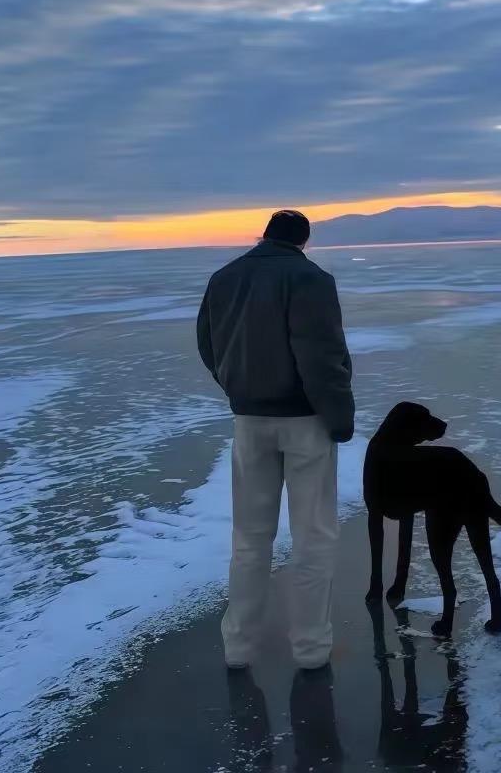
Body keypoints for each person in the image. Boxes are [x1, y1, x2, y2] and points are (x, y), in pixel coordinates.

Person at [197, 208, 355, 671]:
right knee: (313, 536)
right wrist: (338, 417)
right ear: (303, 241)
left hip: (249, 421)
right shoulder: (310, 280)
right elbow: (322, 356)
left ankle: (239, 648)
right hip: (305, 421)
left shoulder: (224, 278)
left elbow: (209, 344)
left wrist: (237, 387)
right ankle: (310, 650)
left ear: (265, 235)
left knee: (249, 538)